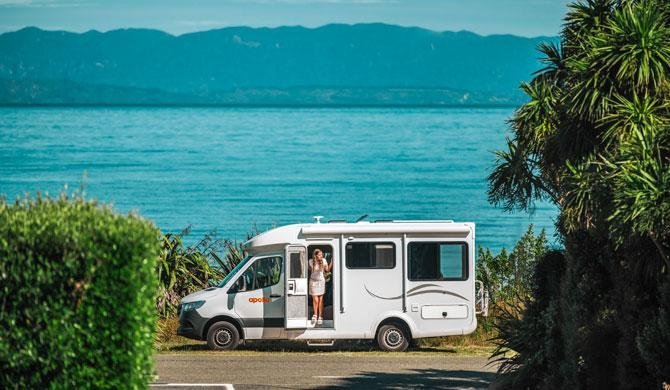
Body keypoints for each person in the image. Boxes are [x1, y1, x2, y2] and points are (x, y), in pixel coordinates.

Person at [308, 249, 332, 325]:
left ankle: (320, 316)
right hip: (313, 282)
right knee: (315, 300)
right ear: (315, 255)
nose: (321, 256)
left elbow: (327, 270)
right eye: (320, 255)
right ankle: (315, 315)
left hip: (321, 281)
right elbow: (310, 270)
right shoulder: (310, 261)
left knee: (321, 300)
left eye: (322, 254)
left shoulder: (324, 260)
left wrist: (331, 262)